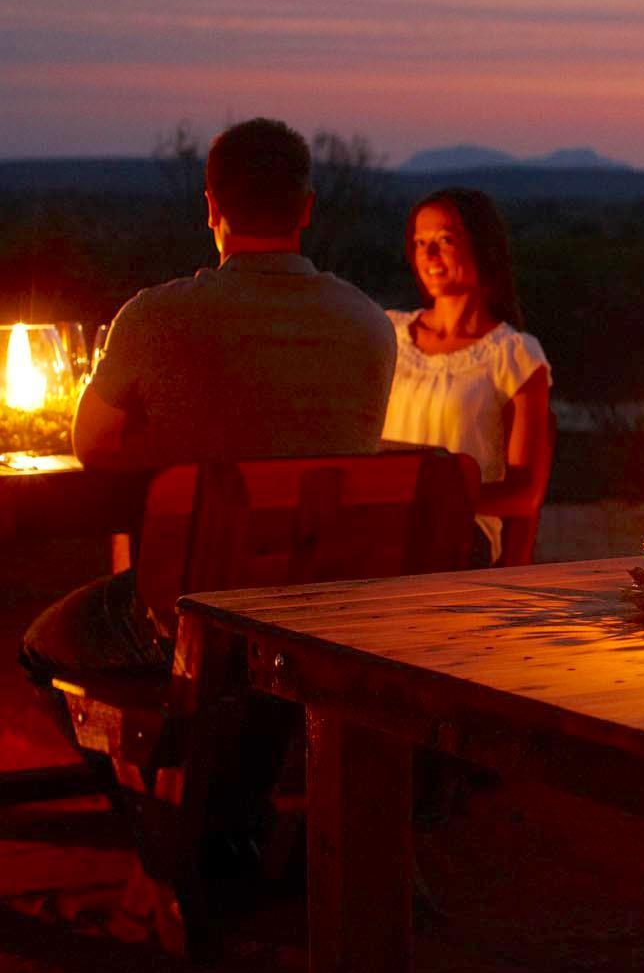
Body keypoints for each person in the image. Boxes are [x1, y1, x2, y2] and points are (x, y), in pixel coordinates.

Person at [21, 117, 395, 690]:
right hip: (327, 602)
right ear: (306, 209)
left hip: (193, 606)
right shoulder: (370, 324)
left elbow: (89, 446)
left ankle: (143, 765)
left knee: (42, 642)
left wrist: (170, 441)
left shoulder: (155, 317)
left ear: (211, 207)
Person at [380, 188, 550, 566]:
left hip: (460, 535)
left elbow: (526, 495)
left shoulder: (513, 355)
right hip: (381, 523)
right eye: (420, 242)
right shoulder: (388, 333)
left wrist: (441, 499)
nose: (429, 254)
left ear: (480, 245)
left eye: (444, 240)